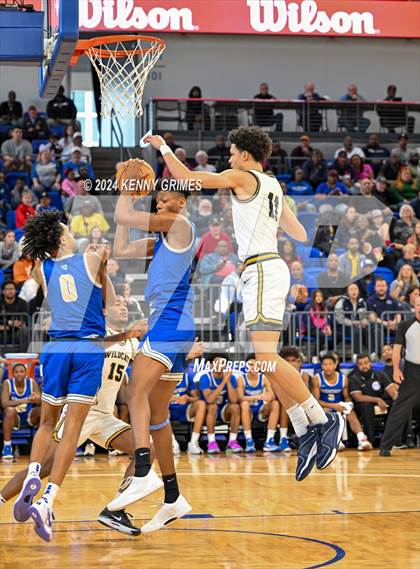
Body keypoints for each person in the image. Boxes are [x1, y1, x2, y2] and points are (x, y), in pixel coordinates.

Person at [146, 126, 346, 482]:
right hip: (264, 269)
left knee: (266, 359)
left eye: (233, 152)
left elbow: (189, 177)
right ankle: (304, 430)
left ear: (245, 155)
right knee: (264, 361)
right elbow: (298, 231)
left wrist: (163, 149)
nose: (229, 158)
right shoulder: (273, 184)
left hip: (264, 269)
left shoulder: (242, 176)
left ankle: (323, 418)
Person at [0, 297, 150, 536]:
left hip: (104, 417)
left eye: (125, 304)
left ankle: (116, 510)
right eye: (117, 303)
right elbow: (91, 347)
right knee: (40, 471)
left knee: (144, 450)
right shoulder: (95, 333)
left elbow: (143, 370)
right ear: (104, 310)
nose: (123, 306)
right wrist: (128, 334)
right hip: (79, 413)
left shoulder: (130, 342)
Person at [11, 211, 113, 541]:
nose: (71, 233)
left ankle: (35, 471)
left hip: (55, 349)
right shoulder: (92, 258)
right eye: (67, 230)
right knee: (70, 432)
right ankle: (48, 497)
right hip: (86, 350)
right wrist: (105, 268)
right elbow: (108, 305)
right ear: (60, 238)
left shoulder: (43, 268)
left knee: (45, 423)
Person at [110, 186, 196, 532]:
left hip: (170, 324)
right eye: (156, 199)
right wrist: (129, 203)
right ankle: (173, 497)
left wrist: (127, 191)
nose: (160, 202)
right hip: (174, 327)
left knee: (134, 394)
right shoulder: (160, 240)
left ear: (182, 202)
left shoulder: (181, 225)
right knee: (158, 417)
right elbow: (120, 247)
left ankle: (143, 471)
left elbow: (122, 216)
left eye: (165, 198)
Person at [312, 353, 372, 450]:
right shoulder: (317, 379)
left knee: (350, 412)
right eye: (325, 364)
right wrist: (333, 406)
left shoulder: (343, 378)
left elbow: (346, 397)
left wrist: (348, 404)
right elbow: (316, 401)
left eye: (330, 364)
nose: (327, 367)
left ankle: (361, 438)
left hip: (339, 405)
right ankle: (334, 440)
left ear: (335, 365)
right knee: (325, 411)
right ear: (321, 366)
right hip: (324, 406)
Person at [348, 354, 398, 447]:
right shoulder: (353, 378)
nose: (364, 366)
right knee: (366, 405)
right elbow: (358, 397)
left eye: (366, 363)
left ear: (370, 363)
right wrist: (377, 400)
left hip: (382, 404)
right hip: (363, 406)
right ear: (357, 366)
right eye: (361, 364)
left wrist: (400, 403)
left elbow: (393, 392)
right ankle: (370, 440)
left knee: (396, 405)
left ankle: (393, 440)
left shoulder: (380, 374)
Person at [238, 355, 284, 452]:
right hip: (248, 411)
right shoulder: (241, 378)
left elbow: (272, 395)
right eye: (250, 364)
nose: (253, 367)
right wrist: (257, 397)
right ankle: (249, 440)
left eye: (255, 364)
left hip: (260, 410)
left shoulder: (263, 377)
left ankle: (269, 441)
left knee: (275, 404)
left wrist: (268, 397)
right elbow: (239, 398)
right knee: (244, 404)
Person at [198, 355, 241, 453]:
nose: (219, 365)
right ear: (211, 365)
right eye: (216, 362)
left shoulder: (231, 377)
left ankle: (232, 441)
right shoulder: (205, 377)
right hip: (207, 412)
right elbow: (210, 399)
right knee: (212, 406)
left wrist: (228, 381)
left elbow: (234, 400)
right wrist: (224, 382)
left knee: (235, 407)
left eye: (222, 363)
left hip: (222, 411)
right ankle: (211, 442)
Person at [1, 363, 41, 459]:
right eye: (16, 372)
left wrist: (36, 399)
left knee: (43, 410)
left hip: (30, 416)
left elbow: (40, 401)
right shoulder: (7, 383)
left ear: (25, 374)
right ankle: (7, 446)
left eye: (22, 371)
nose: (19, 374)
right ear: (13, 374)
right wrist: (25, 400)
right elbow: (4, 403)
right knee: (10, 410)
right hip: (14, 419)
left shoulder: (32, 383)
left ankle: (42, 445)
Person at [169, 368, 206, 455]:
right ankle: (172, 443)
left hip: (184, 411)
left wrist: (188, 398)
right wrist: (172, 399)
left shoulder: (186, 377)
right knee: (161, 407)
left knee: (201, 404)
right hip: (167, 411)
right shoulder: (161, 378)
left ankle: (193, 443)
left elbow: (196, 397)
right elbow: (155, 399)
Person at [367, 277, 401, 356]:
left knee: (401, 327)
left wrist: (395, 323)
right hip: (380, 325)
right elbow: (372, 317)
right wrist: (385, 324)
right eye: (379, 286)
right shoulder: (370, 300)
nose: (381, 288)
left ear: (386, 287)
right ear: (375, 288)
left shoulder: (393, 300)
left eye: (383, 286)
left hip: (392, 326)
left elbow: (398, 314)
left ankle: (399, 354)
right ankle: (380, 355)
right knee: (377, 328)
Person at [334, 283, 369, 354]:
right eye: (351, 289)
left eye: (355, 289)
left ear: (358, 291)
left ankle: (372, 353)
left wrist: (364, 322)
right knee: (357, 331)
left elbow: (365, 317)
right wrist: (353, 323)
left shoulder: (362, 303)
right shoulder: (341, 302)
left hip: (359, 326)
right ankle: (356, 355)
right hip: (344, 327)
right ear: (347, 292)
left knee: (369, 330)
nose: (354, 291)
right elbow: (340, 319)